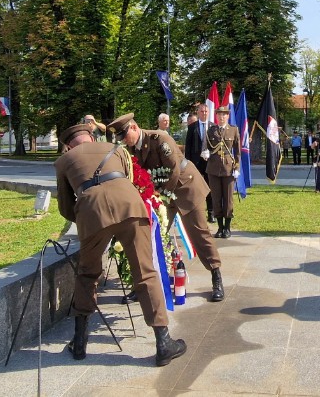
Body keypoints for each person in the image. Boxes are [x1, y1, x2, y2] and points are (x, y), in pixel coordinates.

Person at [54, 123, 186, 365]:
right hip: (131, 208)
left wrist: (91, 223)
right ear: (91, 138)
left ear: (68, 145)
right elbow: (129, 179)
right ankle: (163, 342)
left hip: (91, 214)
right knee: (145, 273)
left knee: (87, 275)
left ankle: (80, 343)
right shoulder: (117, 149)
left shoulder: (64, 161)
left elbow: (65, 206)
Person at [108, 113, 225, 302]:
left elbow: (173, 169)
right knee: (151, 235)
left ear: (134, 128)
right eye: (120, 138)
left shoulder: (159, 139)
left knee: (199, 234)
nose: (124, 141)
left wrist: (158, 195)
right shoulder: (131, 148)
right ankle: (144, 284)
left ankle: (216, 276)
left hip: (186, 188)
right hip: (162, 194)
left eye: (125, 136)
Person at [205, 106, 240, 238]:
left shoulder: (233, 130)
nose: (221, 117)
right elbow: (207, 147)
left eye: (224, 115)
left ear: (227, 116)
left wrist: (236, 168)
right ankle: (219, 228)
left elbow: (237, 152)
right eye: (219, 114)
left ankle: (227, 227)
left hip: (228, 169)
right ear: (216, 116)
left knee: (228, 199)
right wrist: (206, 152)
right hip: (213, 169)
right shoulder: (211, 130)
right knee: (216, 198)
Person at [184, 103, 214, 223]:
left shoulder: (213, 127)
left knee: (209, 187)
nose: (204, 113)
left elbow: (216, 145)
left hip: (209, 162)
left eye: (206, 111)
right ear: (198, 112)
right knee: (195, 188)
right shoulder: (192, 127)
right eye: (202, 111)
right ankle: (196, 212)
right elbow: (188, 146)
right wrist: (188, 163)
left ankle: (211, 213)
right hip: (195, 163)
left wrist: (211, 154)